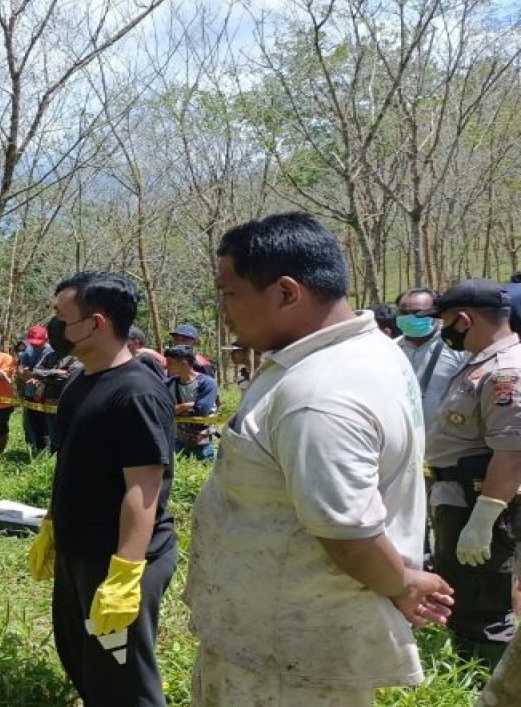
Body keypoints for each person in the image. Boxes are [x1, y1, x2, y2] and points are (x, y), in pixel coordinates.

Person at [185, 212, 452, 706]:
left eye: (229, 293)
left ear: (287, 292)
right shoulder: (364, 352)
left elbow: (347, 529)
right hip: (282, 644)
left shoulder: (321, 392)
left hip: (287, 659)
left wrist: (403, 583)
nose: (222, 309)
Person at [26, 271, 177, 706]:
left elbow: (143, 490)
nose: (55, 325)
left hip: (120, 562)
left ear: (96, 322)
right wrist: (53, 527)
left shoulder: (137, 393)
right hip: (79, 551)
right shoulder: (79, 382)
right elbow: (70, 464)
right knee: (84, 663)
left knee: (125, 682)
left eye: (62, 316)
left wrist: (126, 572)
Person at [421, 279, 521, 668]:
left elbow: (511, 453)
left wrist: (482, 519)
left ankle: (488, 686)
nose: (442, 331)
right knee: (468, 595)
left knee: (485, 607)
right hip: (458, 496)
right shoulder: (478, 362)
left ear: (463, 319)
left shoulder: (505, 372)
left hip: (480, 503)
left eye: (444, 322)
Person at [395, 288, 468, 424]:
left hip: (445, 435)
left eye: (418, 313)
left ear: (436, 314)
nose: (409, 318)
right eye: (403, 313)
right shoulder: (391, 349)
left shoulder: (457, 348)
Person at [162, 345, 218, 460]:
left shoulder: (207, 383)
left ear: (184, 363)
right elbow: (162, 410)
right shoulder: (168, 384)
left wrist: (175, 410)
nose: (166, 366)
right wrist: (187, 405)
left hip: (203, 443)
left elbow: (201, 411)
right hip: (178, 441)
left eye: (170, 362)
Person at [16, 325, 53, 452]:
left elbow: (50, 374)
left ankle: (46, 453)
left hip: (45, 395)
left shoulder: (52, 352)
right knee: (32, 424)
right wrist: (22, 373)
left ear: (46, 339)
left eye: (39, 343)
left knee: (46, 427)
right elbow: (21, 370)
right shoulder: (28, 351)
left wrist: (34, 375)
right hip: (30, 393)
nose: (36, 345)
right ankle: (35, 450)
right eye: (33, 343)